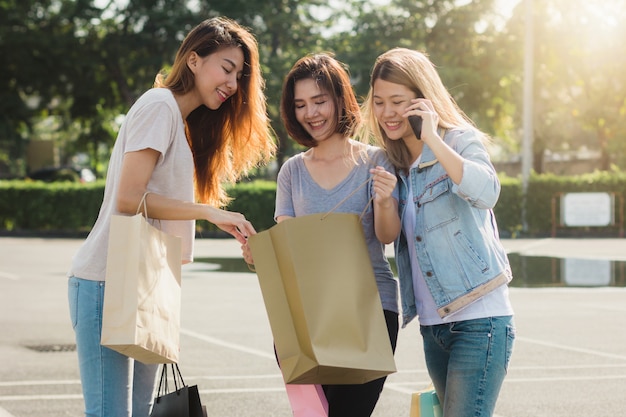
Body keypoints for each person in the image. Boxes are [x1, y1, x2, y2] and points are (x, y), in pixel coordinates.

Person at [67, 17, 276, 417]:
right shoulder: (158, 105)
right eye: (226, 69)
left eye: (239, 76)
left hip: (145, 281)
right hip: (105, 282)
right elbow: (129, 199)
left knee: (145, 412)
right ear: (194, 60)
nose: (232, 85)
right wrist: (209, 212)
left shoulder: (180, 121)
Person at [359, 47, 515, 417]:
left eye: (398, 101)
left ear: (422, 100)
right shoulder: (391, 160)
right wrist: (383, 202)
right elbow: (386, 236)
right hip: (433, 327)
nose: (387, 112)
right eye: (379, 102)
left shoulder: (458, 141)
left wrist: (433, 138)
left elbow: (487, 191)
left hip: (480, 320)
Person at [243, 53, 400, 417]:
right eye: (300, 105)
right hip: (308, 314)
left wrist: (387, 200)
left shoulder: (377, 161)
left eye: (319, 101)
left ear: (338, 99)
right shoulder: (292, 172)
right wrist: (258, 255)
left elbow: (387, 236)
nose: (311, 113)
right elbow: (290, 246)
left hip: (370, 309)